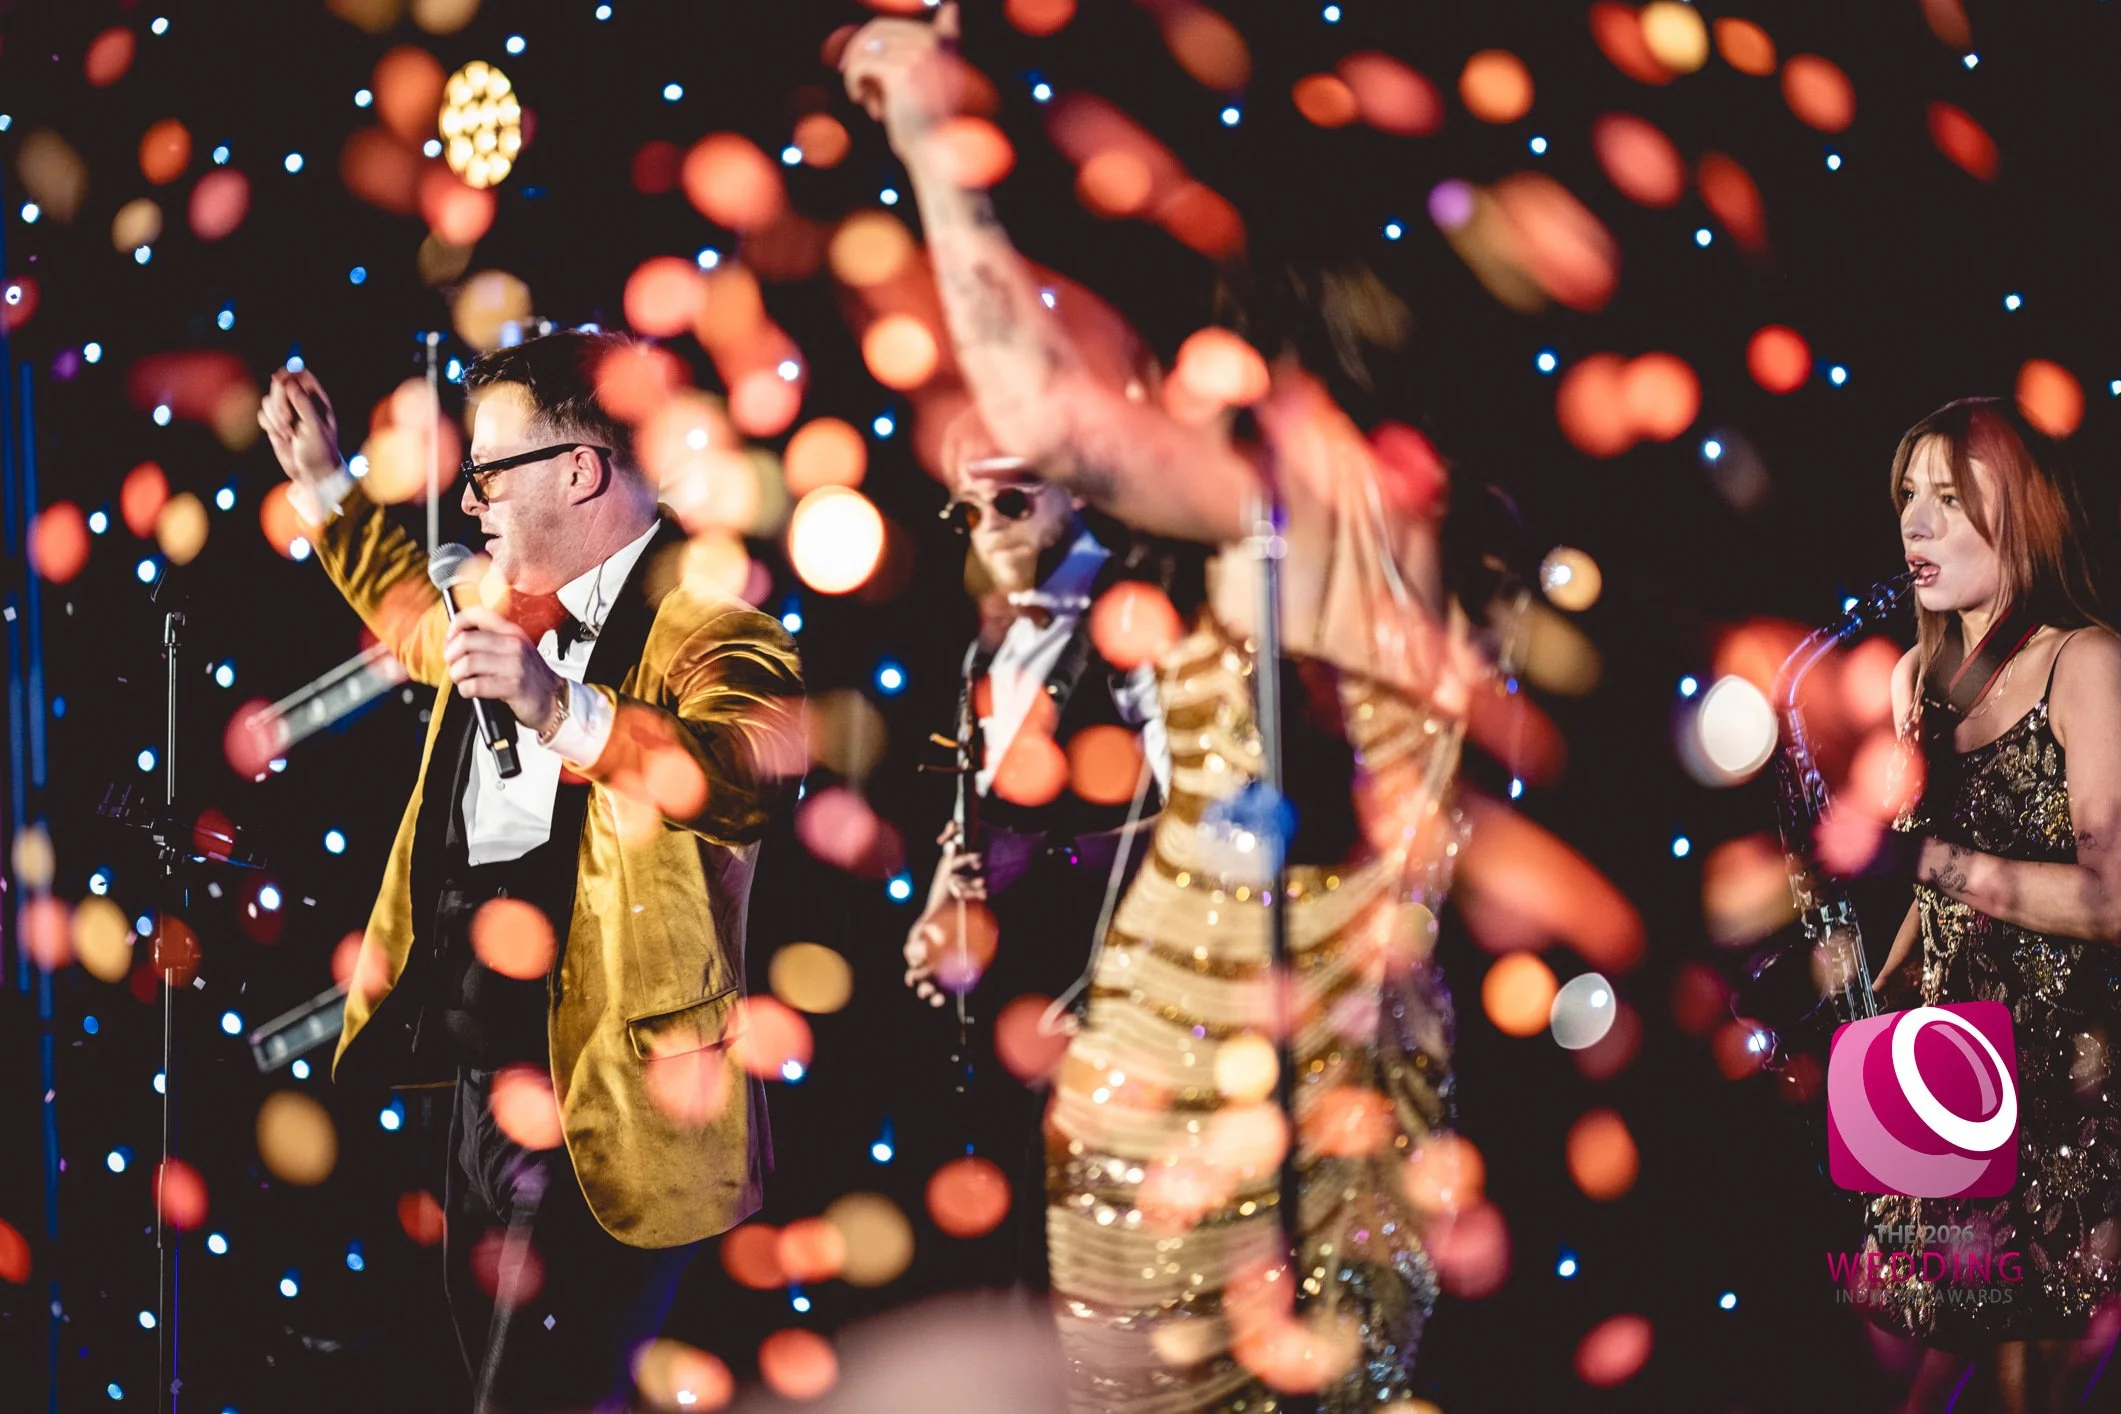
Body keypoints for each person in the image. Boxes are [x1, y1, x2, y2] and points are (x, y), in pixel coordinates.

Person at [844, 11, 1478, 1407]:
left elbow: (1057, 411)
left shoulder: (1337, 510)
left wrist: (933, 143)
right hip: (1166, 1151)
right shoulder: (1294, 534)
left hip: (1255, 1175)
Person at [256, 331, 805, 1413]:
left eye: (488, 474)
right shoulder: (496, 605)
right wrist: (323, 483)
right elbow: (415, 620)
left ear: (580, 468)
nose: (469, 504)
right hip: (479, 1084)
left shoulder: (712, 620)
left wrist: (563, 709)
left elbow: (737, 773)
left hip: (614, 1092)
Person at [1858, 398, 2121, 1411]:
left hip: (2070, 1102)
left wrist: (1935, 862)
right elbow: (1930, 894)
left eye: (1948, 501)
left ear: (2020, 517)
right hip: (1952, 1091)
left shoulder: (2083, 662)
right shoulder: (1912, 680)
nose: (1913, 526)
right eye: (1907, 499)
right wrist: (1860, 998)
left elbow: (2108, 900)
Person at [902, 404, 1172, 1287]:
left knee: (1088, 1270)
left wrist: (1052, 868)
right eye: (966, 511)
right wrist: (943, 907)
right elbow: (976, 814)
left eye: (1011, 504)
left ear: (1074, 490)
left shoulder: (1131, 621)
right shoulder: (998, 639)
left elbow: (1199, 820)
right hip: (1001, 1014)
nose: (987, 532)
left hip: (1098, 999)